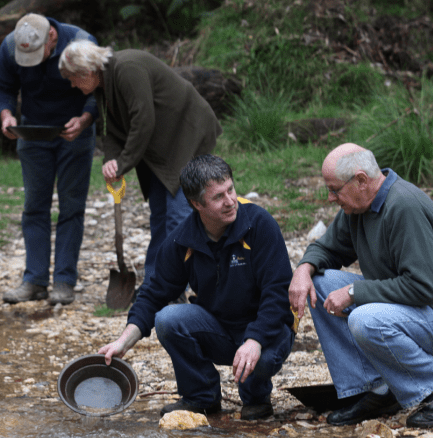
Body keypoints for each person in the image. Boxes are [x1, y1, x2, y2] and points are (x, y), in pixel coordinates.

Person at [288, 143, 433, 428]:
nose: (330, 198)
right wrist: (303, 269)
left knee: (364, 319)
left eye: (334, 189)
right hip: (414, 307)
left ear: (361, 180)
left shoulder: (404, 206)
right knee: (320, 283)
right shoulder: (357, 207)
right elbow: (327, 249)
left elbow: (422, 288)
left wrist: (356, 293)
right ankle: (377, 389)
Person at [98, 155, 295, 421]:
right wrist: (123, 342)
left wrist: (254, 340)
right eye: (218, 197)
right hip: (220, 327)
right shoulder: (182, 238)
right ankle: (201, 397)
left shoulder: (259, 224)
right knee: (167, 319)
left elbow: (278, 292)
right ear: (196, 204)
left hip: (269, 330)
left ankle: (256, 397)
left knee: (258, 360)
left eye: (231, 190)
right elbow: (153, 293)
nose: (230, 201)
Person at [58, 40, 222, 290]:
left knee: (178, 215)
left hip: (185, 135)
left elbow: (142, 121)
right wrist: (111, 161)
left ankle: (179, 285)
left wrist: (123, 162)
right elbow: (110, 129)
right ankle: (156, 283)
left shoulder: (127, 68)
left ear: (87, 72)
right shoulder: (103, 84)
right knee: (159, 215)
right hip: (159, 148)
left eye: (72, 78)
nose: (71, 85)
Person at [0, 13, 98, 305]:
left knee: (71, 208)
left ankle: (64, 282)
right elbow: (4, 88)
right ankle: (34, 280)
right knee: (34, 207)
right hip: (32, 132)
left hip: (74, 134)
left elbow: (98, 90)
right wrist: (6, 116)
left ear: (51, 36)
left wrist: (85, 119)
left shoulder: (81, 42)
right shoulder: (9, 46)